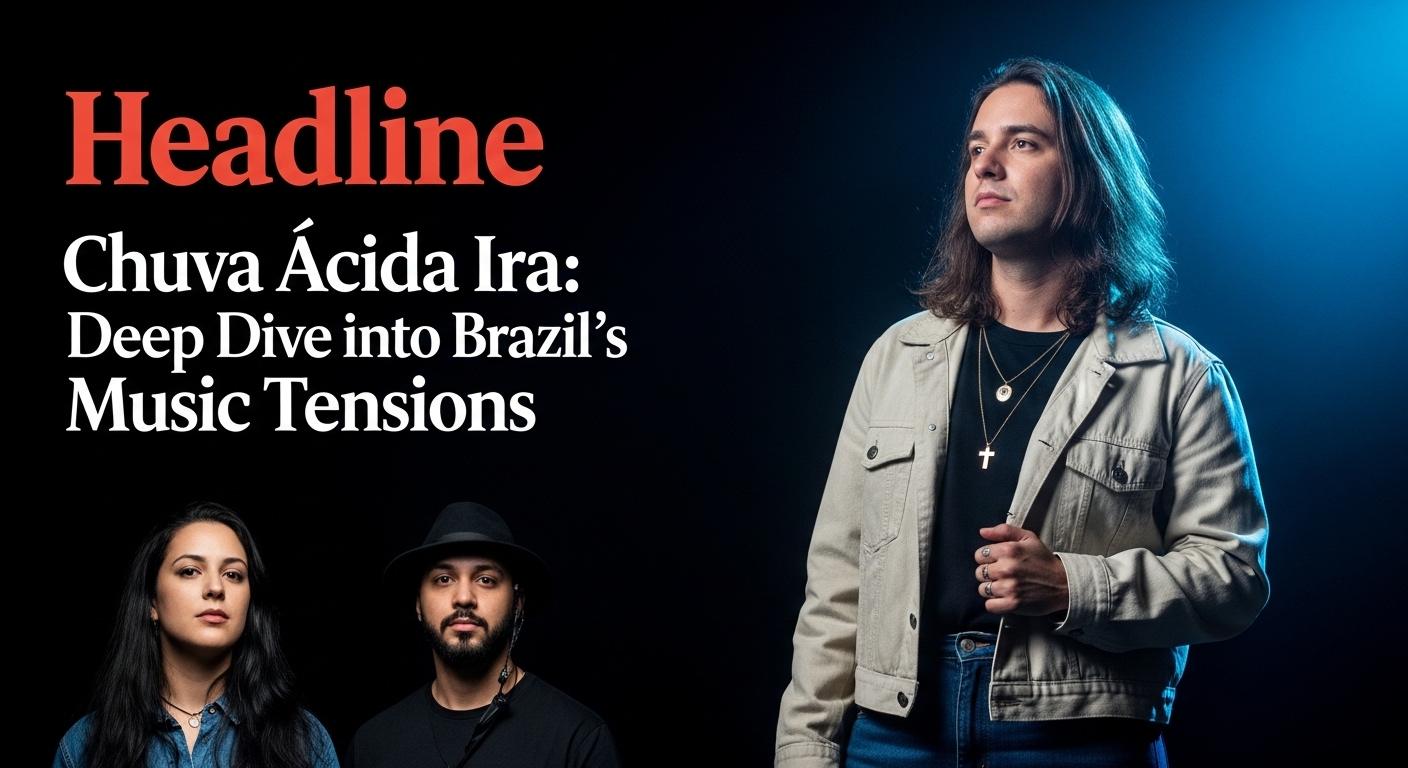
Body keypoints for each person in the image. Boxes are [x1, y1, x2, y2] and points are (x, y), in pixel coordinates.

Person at [775, 57, 1271, 767]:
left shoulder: (1179, 374)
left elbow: (1233, 578)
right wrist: (806, 749)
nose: (986, 166)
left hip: (1076, 734)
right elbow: (836, 582)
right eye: (977, 148)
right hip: (892, 732)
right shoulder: (898, 355)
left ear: (1090, 177)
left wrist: (1073, 585)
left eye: (1023, 143)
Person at [53, 501, 338, 768]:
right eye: (190, 571)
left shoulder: (303, 738)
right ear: (153, 601)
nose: (215, 587)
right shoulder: (84, 745)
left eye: (233, 574)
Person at [349, 502, 620, 768]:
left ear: (517, 602)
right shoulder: (373, 745)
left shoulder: (578, 739)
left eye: (485, 579)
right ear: (419, 604)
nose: (464, 598)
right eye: (444, 579)